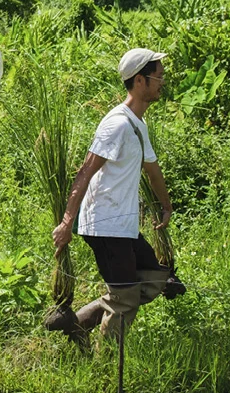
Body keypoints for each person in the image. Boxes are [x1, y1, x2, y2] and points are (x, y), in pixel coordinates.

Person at [47, 47, 177, 347]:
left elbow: (153, 171)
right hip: (106, 224)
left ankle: (77, 324)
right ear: (140, 80)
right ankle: (107, 367)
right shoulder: (116, 124)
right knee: (126, 297)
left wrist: (166, 206)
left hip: (124, 225)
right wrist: (67, 222)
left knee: (154, 280)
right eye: (158, 76)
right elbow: (86, 171)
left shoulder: (138, 125)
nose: (162, 82)